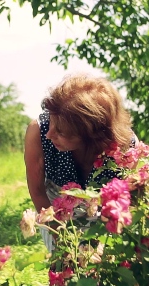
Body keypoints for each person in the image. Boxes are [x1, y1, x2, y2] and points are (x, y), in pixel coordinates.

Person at [24, 73, 137, 251]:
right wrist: (60, 236)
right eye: (51, 122)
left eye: (61, 131)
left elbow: (129, 200)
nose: (50, 134)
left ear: (90, 134)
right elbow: (37, 191)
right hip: (55, 207)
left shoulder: (126, 148)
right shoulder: (38, 132)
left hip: (104, 210)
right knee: (66, 266)